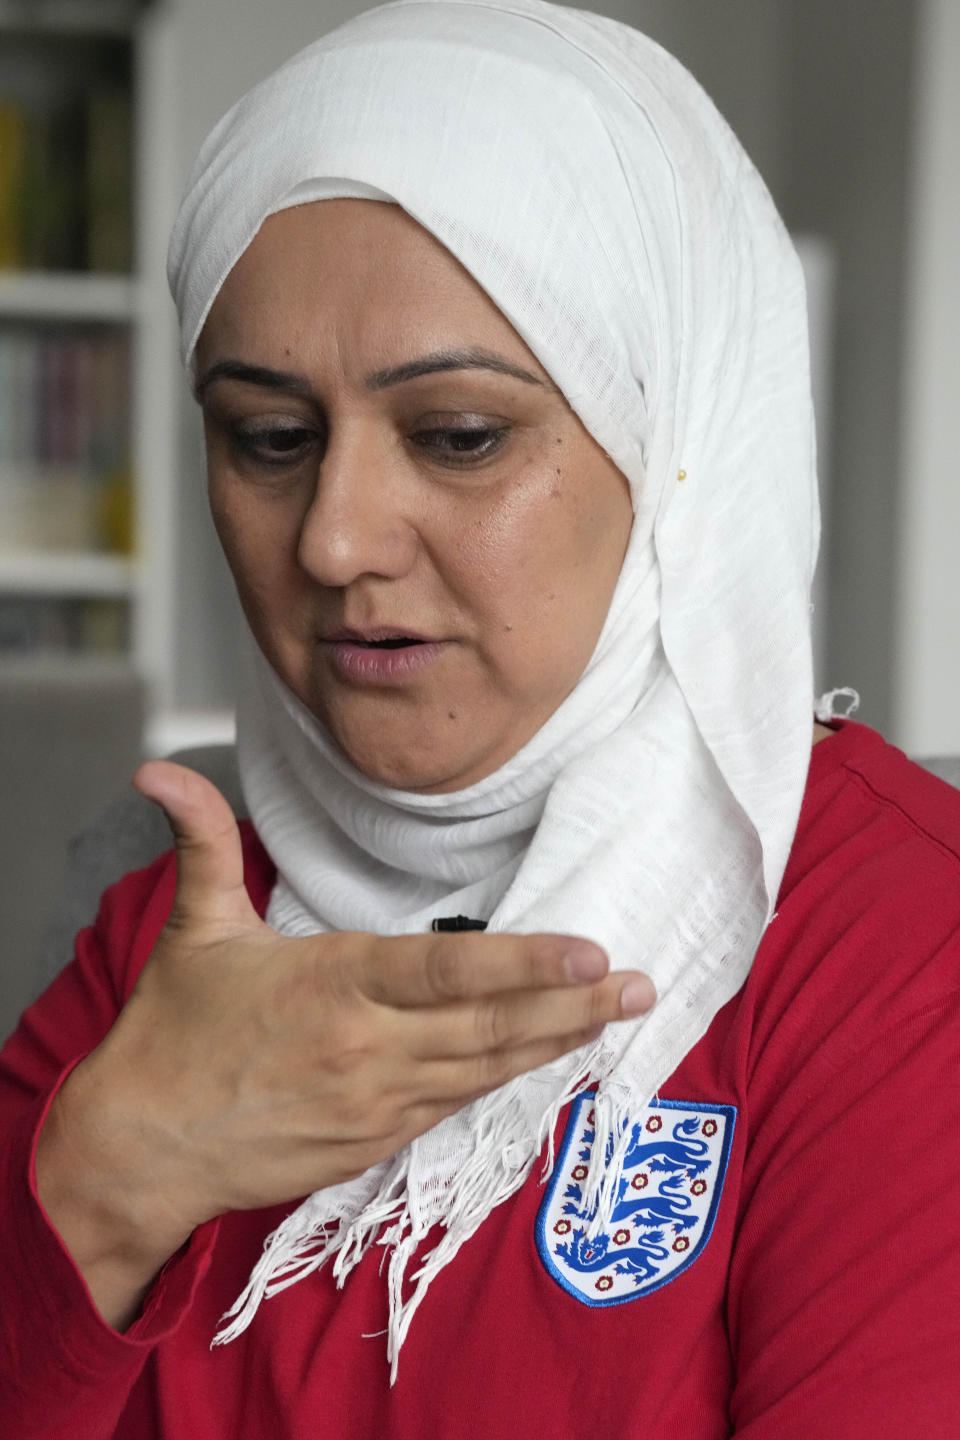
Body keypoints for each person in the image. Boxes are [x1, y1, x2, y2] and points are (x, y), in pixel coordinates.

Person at [2, 1, 959, 1435]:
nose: (333, 540)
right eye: (270, 439)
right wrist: (107, 1176)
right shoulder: (172, 937)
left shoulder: (891, 944)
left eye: (458, 437)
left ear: (678, 446)